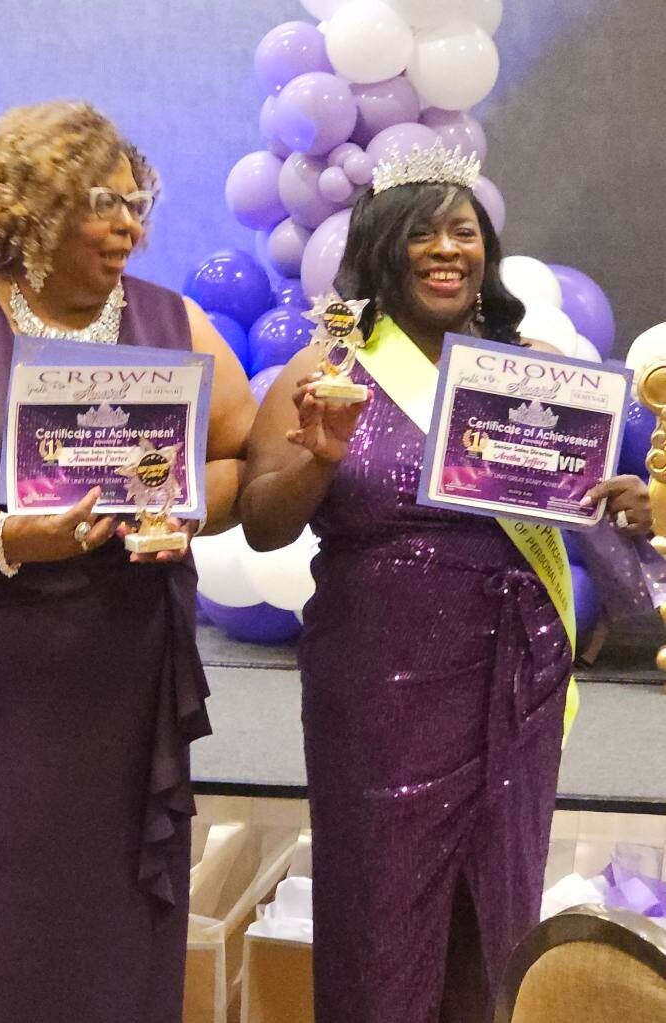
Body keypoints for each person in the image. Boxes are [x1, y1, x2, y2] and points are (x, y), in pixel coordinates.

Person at [240, 141, 651, 1022]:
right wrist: (319, 459)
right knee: (379, 911)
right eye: (421, 233)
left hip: (512, 680)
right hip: (378, 684)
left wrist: (621, 506)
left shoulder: (529, 364)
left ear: (484, 251)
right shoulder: (328, 368)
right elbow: (263, 521)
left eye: (463, 232)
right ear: (382, 248)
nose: (446, 249)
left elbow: (575, 504)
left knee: (496, 906)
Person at [0, 101, 255, 1023]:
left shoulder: (173, 320)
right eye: (105, 204)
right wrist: (10, 537)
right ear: (33, 206)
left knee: (118, 927)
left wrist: (188, 509)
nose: (130, 224)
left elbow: (239, 458)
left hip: (127, 680)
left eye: (137, 204)